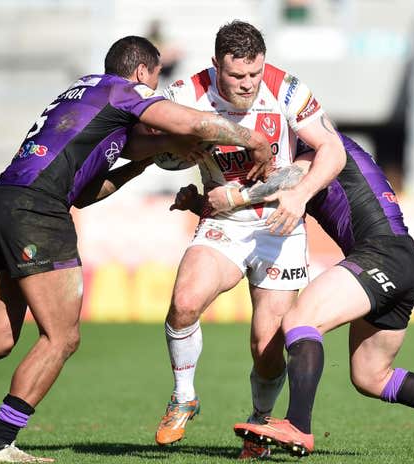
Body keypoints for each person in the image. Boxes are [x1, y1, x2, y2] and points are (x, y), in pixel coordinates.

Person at [0, 35, 274, 464]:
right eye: (154, 82)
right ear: (143, 72)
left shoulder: (86, 96)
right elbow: (195, 124)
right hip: (38, 213)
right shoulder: (125, 89)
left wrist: (140, 162)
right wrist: (252, 139)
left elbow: (85, 193)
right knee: (62, 337)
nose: (153, 91)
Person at [218, 132, 414, 458]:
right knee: (372, 376)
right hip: (404, 261)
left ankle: (297, 425)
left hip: (382, 255)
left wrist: (230, 197)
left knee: (301, 320)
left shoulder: (319, 146)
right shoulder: (313, 146)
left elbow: (290, 177)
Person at [152, 20, 346, 459]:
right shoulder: (187, 91)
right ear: (216, 65)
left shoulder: (288, 89)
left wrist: (300, 196)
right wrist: (176, 151)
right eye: (236, 76)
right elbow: (147, 140)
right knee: (184, 302)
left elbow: (331, 150)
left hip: (278, 225)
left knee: (266, 346)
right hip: (225, 223)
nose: (247, 84)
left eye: (254, 75)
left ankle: (260, 423)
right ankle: (184, 397)